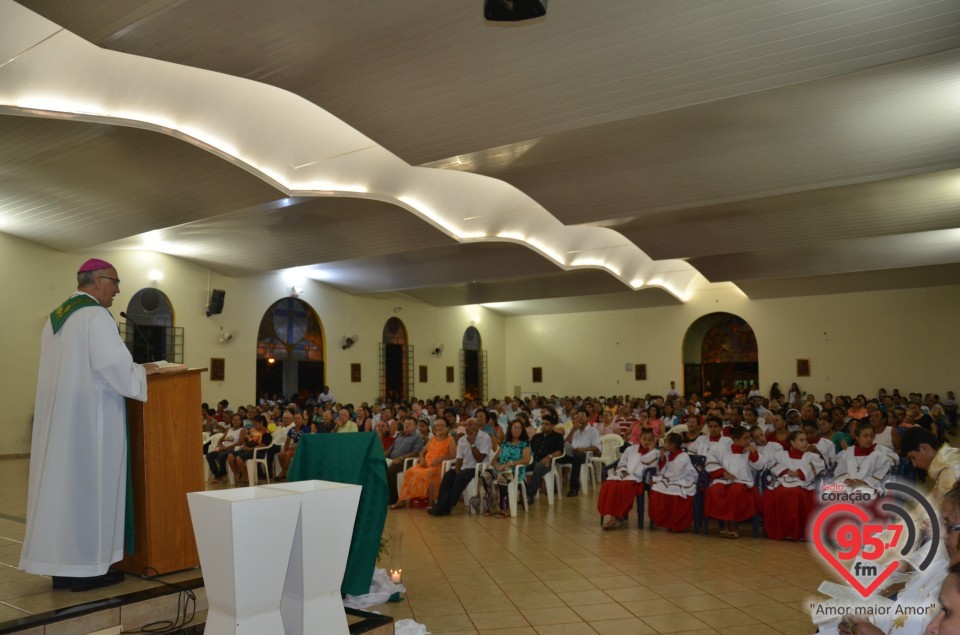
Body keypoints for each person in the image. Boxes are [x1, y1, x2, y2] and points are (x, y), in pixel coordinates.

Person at [20, 259, 159, 592]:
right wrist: (144, 371)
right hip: (90, 424)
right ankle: (88, 570)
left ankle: (64, 568)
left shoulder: (56, 319)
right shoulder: (94, 316)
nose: (118, 289)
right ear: (97, 280)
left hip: (63, 421)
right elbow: (113, 367)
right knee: (91, 491)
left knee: (66, 493)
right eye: (114, 281)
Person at [762, 431, 825, 541]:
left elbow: (821, 464)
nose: (805, 443)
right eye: (801, 440)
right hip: (783, 481)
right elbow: (769, 462)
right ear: (792, 442)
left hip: (804, 483)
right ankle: (783, 532)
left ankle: (800, 533)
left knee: (798, 494)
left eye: (806, 440)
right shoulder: (781, 454)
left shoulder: (812, 456)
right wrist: (785, 470)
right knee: (775, 495)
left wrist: (800, 473)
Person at [704, 426, 764, 538]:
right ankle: (726, 525)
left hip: (743, 482)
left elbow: (759, 466)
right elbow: (711, 461)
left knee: (736, 491)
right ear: (736, 440)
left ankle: (734, 525)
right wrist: (722, 472)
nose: (749, 441)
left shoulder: (750, 450)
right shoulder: (722, 449)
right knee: (715, 490)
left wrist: (754, 454)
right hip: (724, 480)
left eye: (749, 438)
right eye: (745, 438)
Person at [429, 418, 492, 517]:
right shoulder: (462, 440)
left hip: (478, 468)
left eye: (470, 425)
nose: (467, 428)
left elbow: (480, 459)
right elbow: (459, 460)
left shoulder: (485, 437)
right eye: (466, 425)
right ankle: (441, 505)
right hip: (464, 468)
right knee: (449, 475)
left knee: (461, 476)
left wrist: (472, 444)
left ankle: (446, 506)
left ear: (478, 426)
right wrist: (457, 471)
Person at [597, 429, 659, 530]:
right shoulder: (631, 449)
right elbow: (622, 463)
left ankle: (617, 518)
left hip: (640, 479)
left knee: (624, 487)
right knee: (609, 485)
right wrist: (624, 472)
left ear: (654, 440)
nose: (646, 442)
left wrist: (650, 452)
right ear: (639, 439)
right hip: (625, 475)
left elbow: (653, 468)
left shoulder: (655, 452)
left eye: (650, 440)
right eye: (644, 439)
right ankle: (613, 515)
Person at [392, 419, 456, 509]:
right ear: (434, 428)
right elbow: (422, 452)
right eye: (437, 426)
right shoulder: (432, 439)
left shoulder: (450, 439)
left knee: (428, 474)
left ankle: (431, 501)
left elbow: (453, 454)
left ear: (447, 428)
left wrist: (440, 459)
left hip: (438, 465)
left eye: (442, 425)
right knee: (409, 472)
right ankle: (401, 500)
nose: (439, 428)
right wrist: (422, 459)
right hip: (425, 464)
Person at [473, 420, 530, 516]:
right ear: (510, 430)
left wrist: (510, 463)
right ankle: (492, 507)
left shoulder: (524, 444)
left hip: (514, 471)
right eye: (514, 427)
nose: (516, 430)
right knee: (485, 476)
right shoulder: (505, 444)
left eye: (519, 428)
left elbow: (526, 460)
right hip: (500, 469)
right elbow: (494, 460)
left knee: (502, 478)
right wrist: (498, 466)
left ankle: (504, 508)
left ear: (522, 430)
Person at [648, 433, 697, 532]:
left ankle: (676, 523)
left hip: (684, 479)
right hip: (671, 479)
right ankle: (664, 520)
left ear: (672, 445)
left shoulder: (683, 456)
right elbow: (663, 469)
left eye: (666, 441)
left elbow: (676, 473)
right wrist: (661, 460)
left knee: (672, 488)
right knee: (657, 487)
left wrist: (657, 479)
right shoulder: (667, 454)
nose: (663, 443)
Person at [902, 427, 960, 503]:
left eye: (913, 457)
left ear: (924, 448)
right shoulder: (950, 457)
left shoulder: (950, 473)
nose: (914, 464)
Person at [556, 411, 601, 497]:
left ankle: (574, 488)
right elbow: (565, 444)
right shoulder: (572, 429)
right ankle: (555, 485)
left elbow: (597, 447)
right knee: (556, 457)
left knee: (577, 458)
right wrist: (573, 430)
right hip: (572, 454)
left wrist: (583, 449)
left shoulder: (593, 431)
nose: (580, 418)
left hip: (585, 455)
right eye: (578, 416)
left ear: (588, 418)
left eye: (582, 416)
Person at [385, 417, 426, 505]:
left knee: (391, 471)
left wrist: (401, 458)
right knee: (377, 466)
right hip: (392, 459)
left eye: (409, 424)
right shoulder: (399, 436)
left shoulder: (417, 438)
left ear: (415, 427)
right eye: (405, 423)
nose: (406, 425)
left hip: (404, 462)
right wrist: (381, 456)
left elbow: (416, 452)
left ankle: (393, 498)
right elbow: (390, 450)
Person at [525, 414, 565, 504]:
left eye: (546, 424)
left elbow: (560, 451)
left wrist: (549, 456)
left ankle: (529, 495)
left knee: (538, 468)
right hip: (533, 460)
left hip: (547, 461)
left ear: (552, 426)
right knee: (519, 468)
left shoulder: (558, 437)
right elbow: (529, 449)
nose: (543, 425)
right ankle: (520, 493)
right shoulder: (537, 436)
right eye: (542, 423)